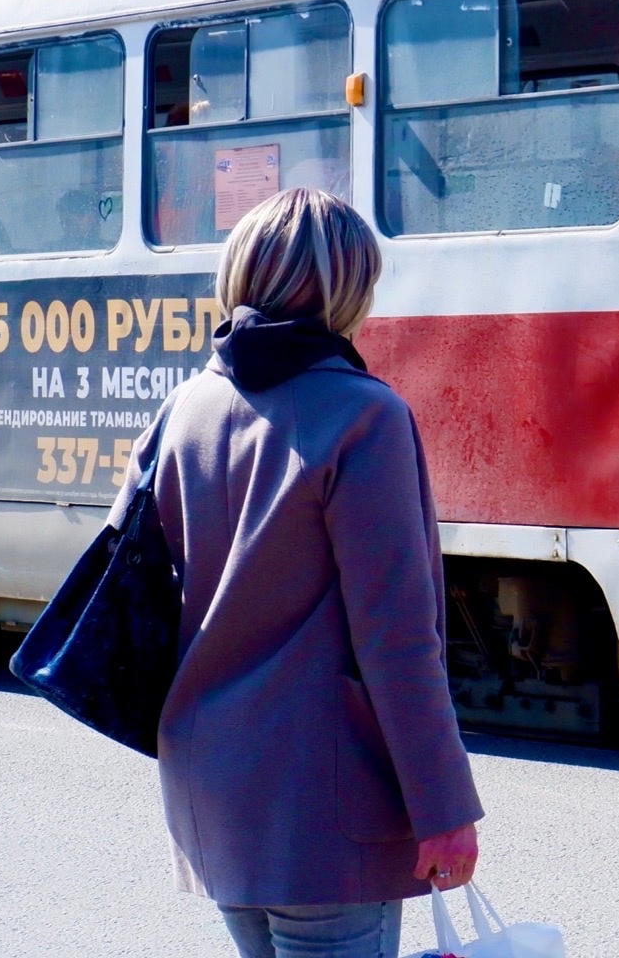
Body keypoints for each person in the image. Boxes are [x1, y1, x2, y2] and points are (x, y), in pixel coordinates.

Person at [113, 187, 482, 958]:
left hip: (210, 792)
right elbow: (399, 639)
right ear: (350, 288)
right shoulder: (364, 416)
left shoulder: (184, 409)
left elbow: (137, 591)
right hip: (325, 805)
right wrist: (444, 806)